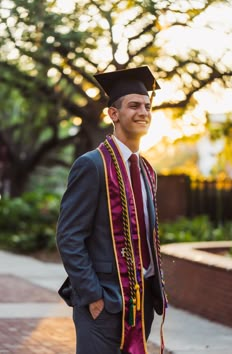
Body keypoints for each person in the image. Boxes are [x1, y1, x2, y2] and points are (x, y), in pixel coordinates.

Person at [56, 66, 167, 354]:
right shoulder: (91, 166)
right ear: (113, 114)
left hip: (142, 304)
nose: (143, 111)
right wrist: (93, 296)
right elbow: (69, 236)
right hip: (105, 304)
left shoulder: (146, 171)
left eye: (147, 106)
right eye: (134, 105)